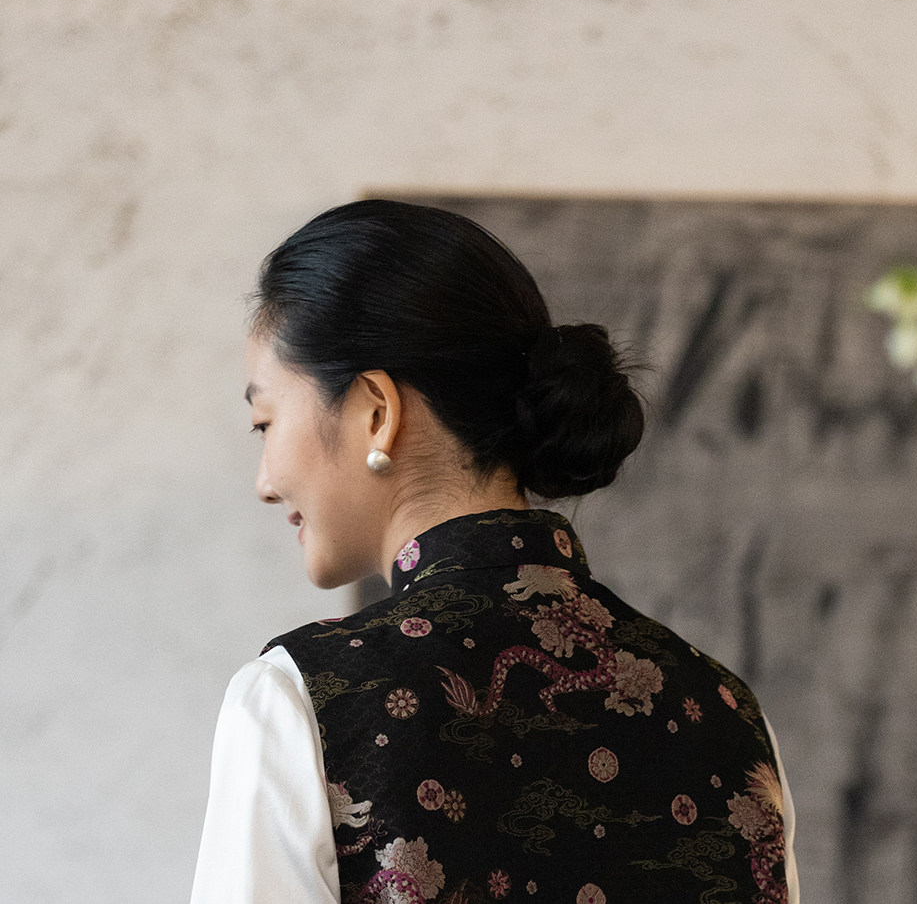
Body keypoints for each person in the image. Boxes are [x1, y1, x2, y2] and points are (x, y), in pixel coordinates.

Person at [190, 199, 798, 904]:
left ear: (376, 411)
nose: (265, 483)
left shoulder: (298, 705)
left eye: (264, 421)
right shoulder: (727, 714)